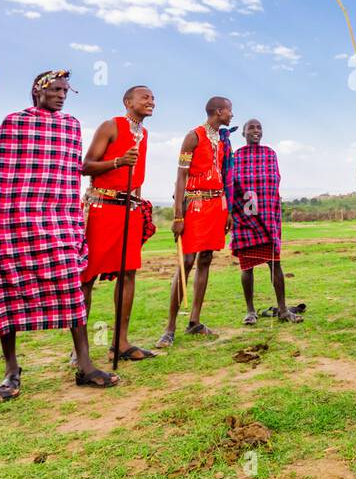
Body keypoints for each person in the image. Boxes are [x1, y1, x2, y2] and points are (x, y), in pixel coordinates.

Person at [0, 71, 118, 396]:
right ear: (36, 90)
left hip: (60, 219)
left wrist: (73, 217)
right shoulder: (14, 122)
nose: (61, 95)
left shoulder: (71, 126)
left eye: (65, 91)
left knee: (72, 286)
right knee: (7, 291)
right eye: (55, 89)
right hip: (13, 221)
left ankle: (84, 365)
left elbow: (71, 175)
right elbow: (0, 169)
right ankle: (11, 369)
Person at [82, 86, 157, 362]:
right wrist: (118, 161)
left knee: (128, 273)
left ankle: (120, 342)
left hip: (130, 209)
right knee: (87, 277)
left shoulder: (145, 133)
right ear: (128, 102)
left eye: (152, 98)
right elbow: (86, 165)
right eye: (144, 97)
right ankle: (80, 351)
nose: (151, 101)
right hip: (103, 206)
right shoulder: (111, 126)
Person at [159, 97, 234, 341]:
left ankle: (194, 320)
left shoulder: (221, 141)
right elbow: (181, 176)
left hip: (216, 204)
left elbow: (223, 175)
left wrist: (228, 210)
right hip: (195, 204)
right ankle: (169, 328)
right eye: (229, 111)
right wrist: (178, 214)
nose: (231, 115)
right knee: (187, 262)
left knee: (206, 260)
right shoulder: (194, 136)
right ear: (219, 111)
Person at [227, 118, 299, 324]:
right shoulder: (236, 156)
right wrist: (233, 212)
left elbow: (274, 182)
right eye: (251, 128)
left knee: (275, 264)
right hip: (244, 218)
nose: (255, 131)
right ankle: (250, 311)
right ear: (243, 133)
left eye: (259, 128)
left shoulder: (270, 154)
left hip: (268, 217)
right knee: (246, 266)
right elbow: (231, 186)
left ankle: (283, 310)